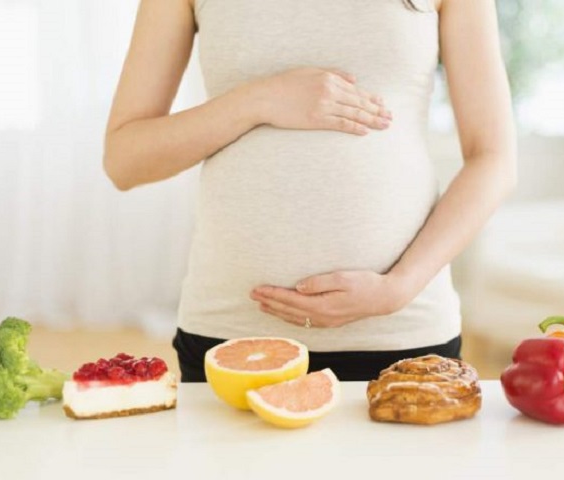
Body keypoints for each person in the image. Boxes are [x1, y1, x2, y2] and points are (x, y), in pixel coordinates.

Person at [103, 0, 517, 382]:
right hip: (232, 334)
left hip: (402, 333)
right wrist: (257, 100)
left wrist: (398, 289)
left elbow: (493, 157)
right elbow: (125, 160)